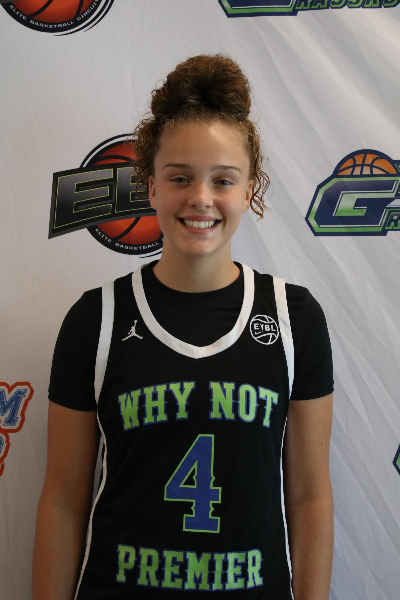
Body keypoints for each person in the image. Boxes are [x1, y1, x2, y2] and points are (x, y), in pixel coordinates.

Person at [33, 54, 334, 600]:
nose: (200, 197)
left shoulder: (295, 318)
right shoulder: (96, 319)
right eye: (180, 177)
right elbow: (62, 500)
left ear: (249, 190)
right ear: (151, 187)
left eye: (223, 180)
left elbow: (310, 497)